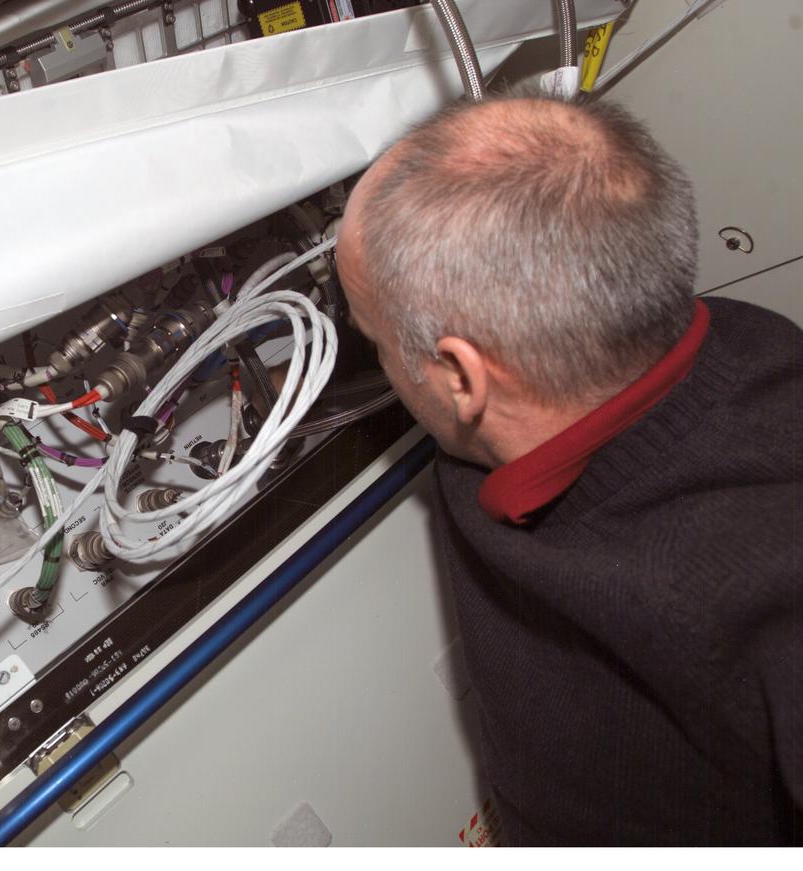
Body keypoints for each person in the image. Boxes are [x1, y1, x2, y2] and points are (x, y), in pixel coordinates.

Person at [334, 93, 801, 845]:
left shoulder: (765, 579)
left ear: (462, 378)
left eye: (375, 341)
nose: (378, 363)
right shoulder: (720, 338)